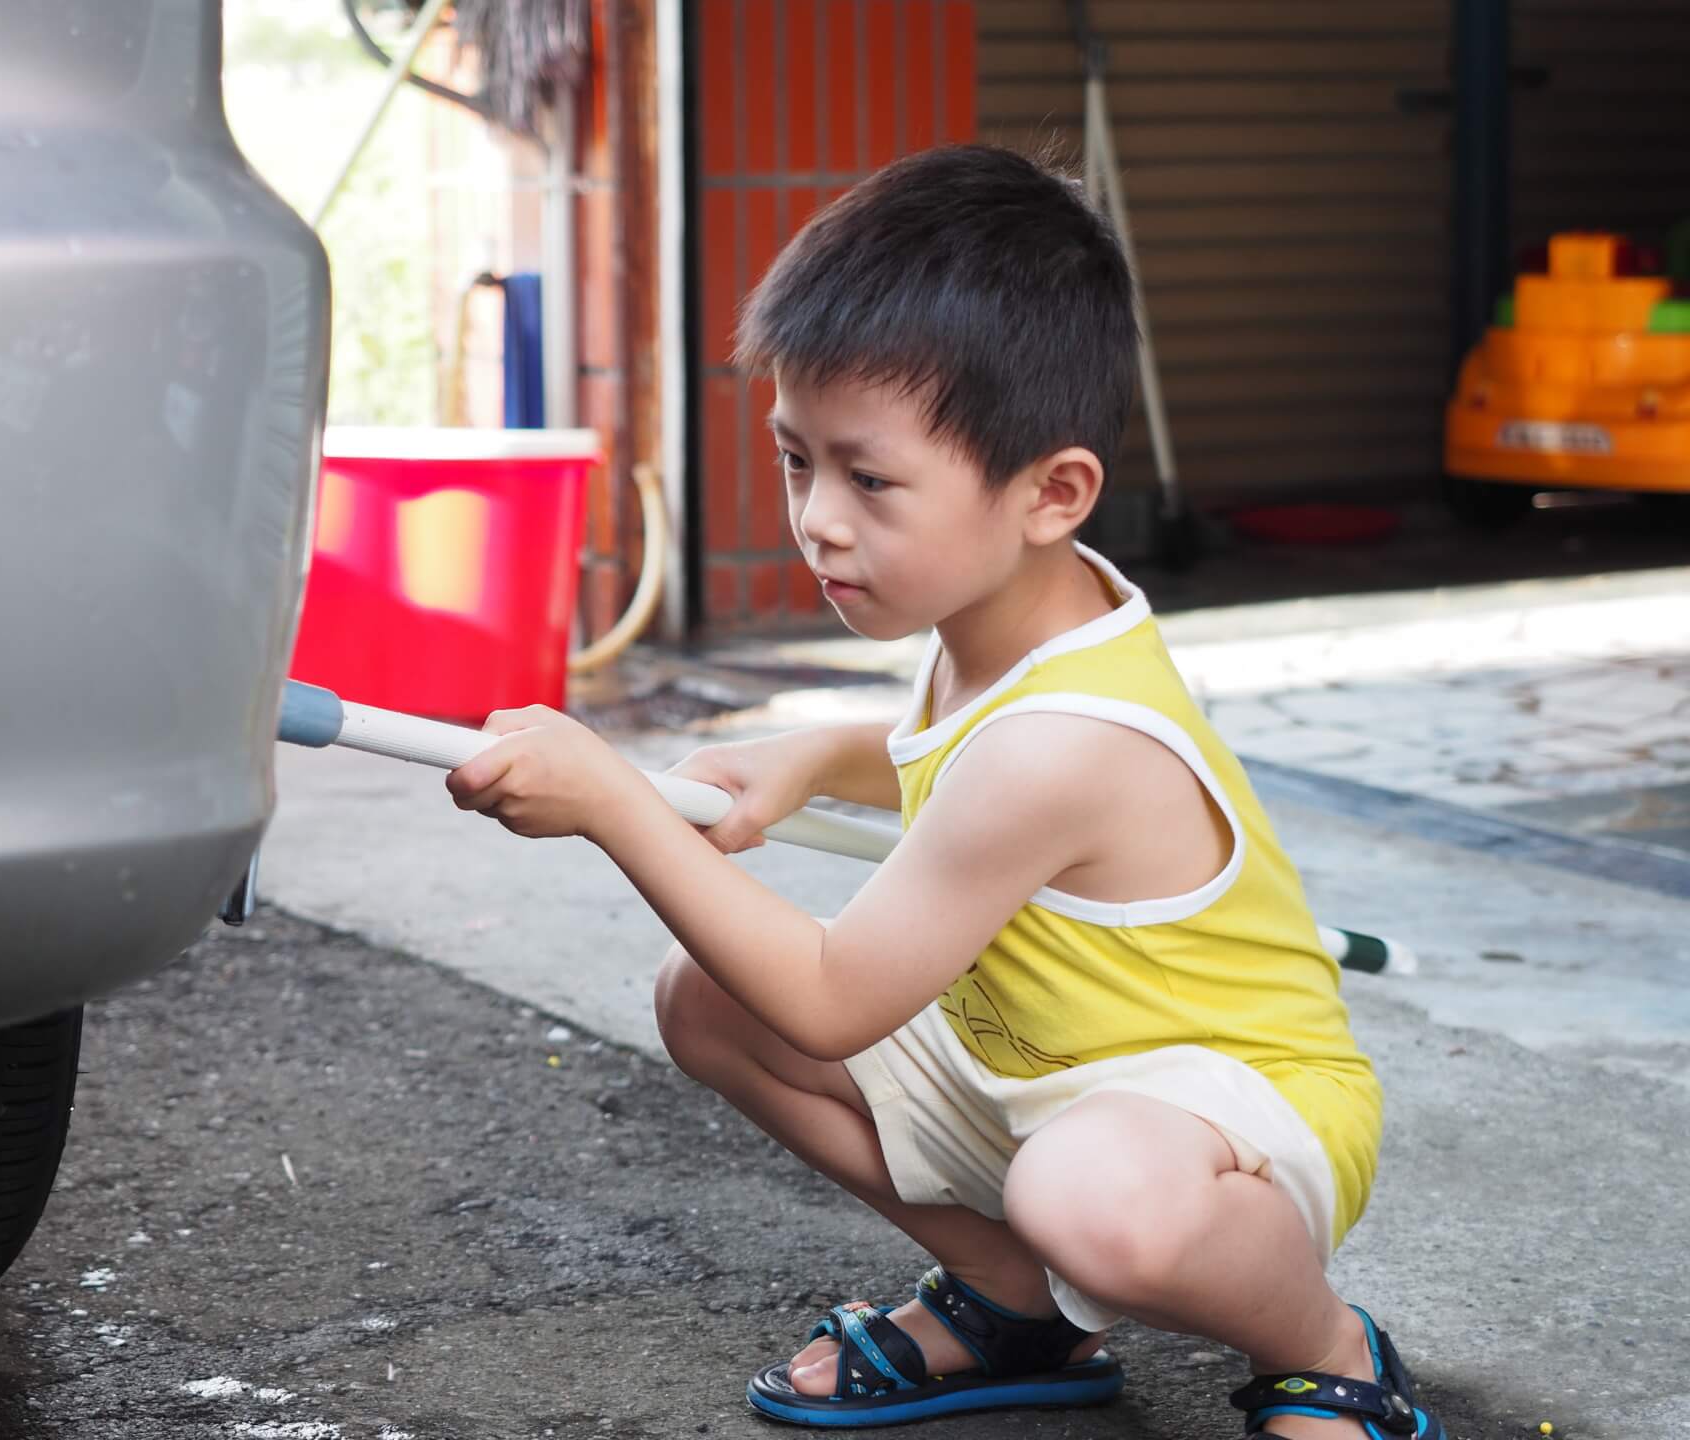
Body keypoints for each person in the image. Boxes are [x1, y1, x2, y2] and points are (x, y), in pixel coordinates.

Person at [445, 144, 1439, 1439]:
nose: (819, 521)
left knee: (1082, 1188)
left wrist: (616, 805)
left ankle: (1328, 1349)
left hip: (1229, 1111)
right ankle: (1012, 1300)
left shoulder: (1063, 743)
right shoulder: (998, 619)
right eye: (798, 461)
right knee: (710, 1006)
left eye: (869, 478)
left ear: (1052, 493)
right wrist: (813, 754)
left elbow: (834, 987)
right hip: (1040, 1077)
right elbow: (945, 758)